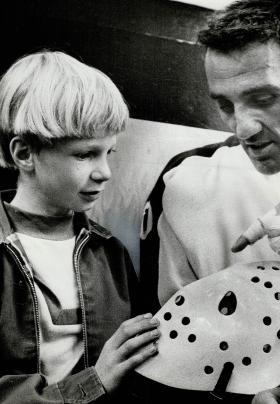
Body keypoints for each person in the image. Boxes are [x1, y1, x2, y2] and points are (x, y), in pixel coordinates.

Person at [138, 0, 280, 401]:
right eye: (225, 104)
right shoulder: (185, 180)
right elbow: (164, 340)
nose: (243, 127)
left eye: (262, 98)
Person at [0, 50, 161, 403]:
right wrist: (95, 380)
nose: (105, 172)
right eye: (85, 154)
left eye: (109, 153)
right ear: (24, 154)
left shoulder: (111, 253)